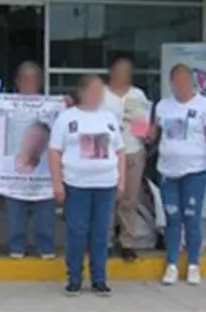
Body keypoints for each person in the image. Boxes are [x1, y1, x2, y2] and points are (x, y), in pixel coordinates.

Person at [49, 74, 124, 297]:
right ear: (82, 91)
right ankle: (74, 278)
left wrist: (122, 180)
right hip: (77, 184)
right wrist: (57, 182)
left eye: (101, 90)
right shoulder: (67, 118)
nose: (99, 94)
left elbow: (120, 151)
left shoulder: (109, 117)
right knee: (77, 231)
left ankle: (99, 279)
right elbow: (54, 151)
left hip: (105, 184)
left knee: (101, 233)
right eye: (95, 89)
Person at [154, 63, 206, 287]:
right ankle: (172, 263)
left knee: (192, 217)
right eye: (177, 81)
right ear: (172, 83)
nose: (182, 86)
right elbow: (152, 133)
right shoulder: (163, 106)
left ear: (191, 82)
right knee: (172, 218)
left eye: (186, 81)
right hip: (168, 171)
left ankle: (194, 263)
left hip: (194, 171)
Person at [0, 61, 56, 259]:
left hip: (43, 173)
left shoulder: (52, 106)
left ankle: (45, 246)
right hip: (14, 172)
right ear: (17, 81)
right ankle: (16, 246)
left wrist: (67, 105)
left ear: (40, 82)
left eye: (33, 78)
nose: (29, 82)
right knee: (15, 211)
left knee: (45, 211)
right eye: (24, 78)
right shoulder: (4, 104)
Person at [103, 56, 150, 261]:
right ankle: (104, 241)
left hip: (132, 150)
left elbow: (143, 127)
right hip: (105, 154)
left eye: (128, 71)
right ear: (112, 72)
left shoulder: (137, 95)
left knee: (129, 200)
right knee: (107, 200)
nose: (124, 75)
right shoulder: (101, 94)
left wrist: (145, 129)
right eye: (120, 70)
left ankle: (127, 242)